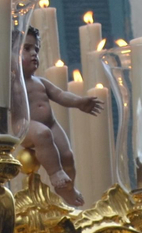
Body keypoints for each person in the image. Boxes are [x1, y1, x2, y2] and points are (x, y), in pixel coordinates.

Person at [19, 27, 101, 207]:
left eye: (36, 50)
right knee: (42, 134)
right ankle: (55, 174)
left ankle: (67, 189)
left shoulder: (40, 82)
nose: (33, 54)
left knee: (67, 155)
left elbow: (61, 95)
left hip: (51, 124)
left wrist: (79, 102)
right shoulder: (12, 83)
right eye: (27, 48)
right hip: (24, 126)